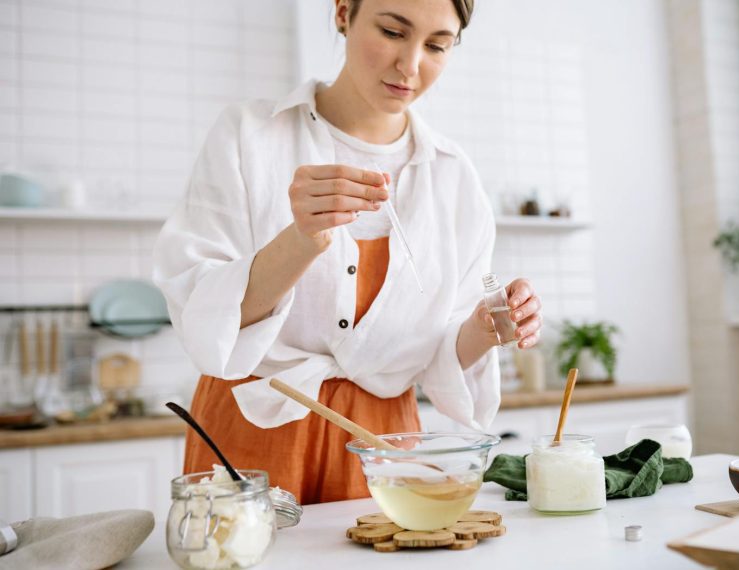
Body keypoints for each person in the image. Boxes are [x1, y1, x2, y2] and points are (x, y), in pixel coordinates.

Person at [153, 0, 543, 505]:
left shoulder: (453, 175)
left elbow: (440, 352)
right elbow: (203, 318)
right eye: (391, 31)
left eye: (437, 45)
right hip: (254, 426)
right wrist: (300, 239)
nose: (411, 65)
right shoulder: (249, 136)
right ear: (342, 13)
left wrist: (489, 329)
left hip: (383, 442)